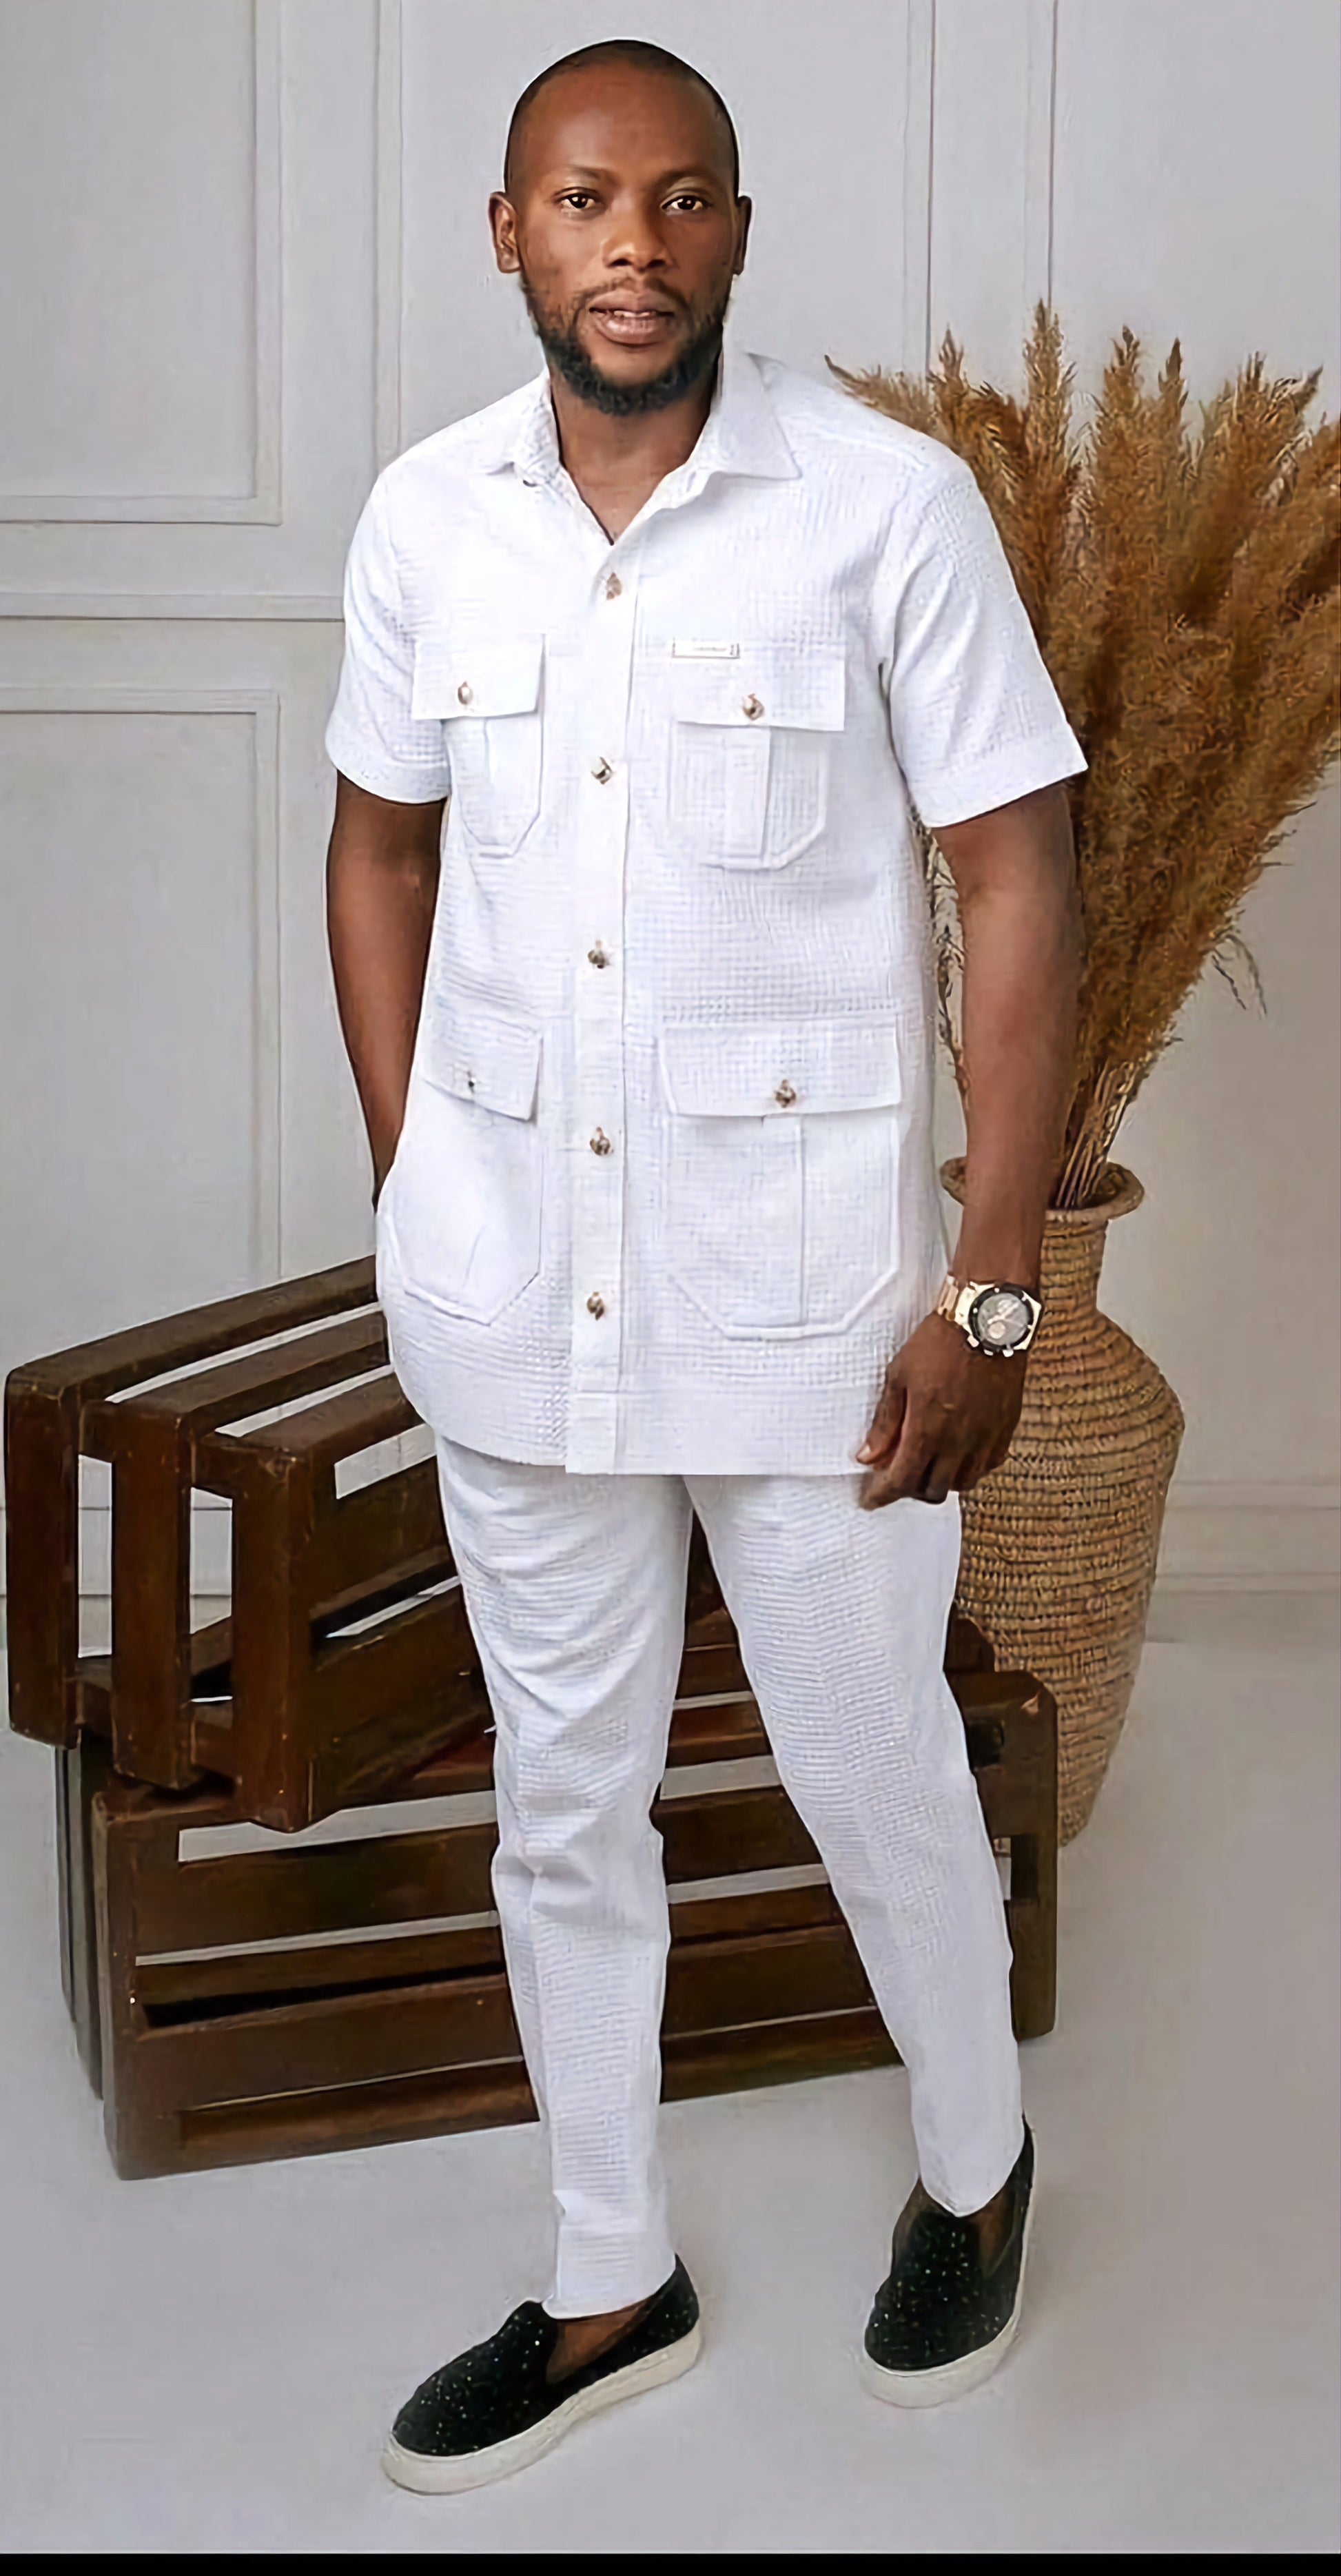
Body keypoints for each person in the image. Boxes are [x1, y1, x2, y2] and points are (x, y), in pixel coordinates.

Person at [324, 37, 1083, 2494]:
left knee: (870, 1768)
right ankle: (602, 2270)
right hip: (515, 1299)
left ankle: (973, 2167)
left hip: (815, 1314)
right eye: (580, 200)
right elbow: (377, 848)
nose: (629, 244)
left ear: (736, 229)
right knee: (563, 1801)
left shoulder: (884, 505)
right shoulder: (429, 518)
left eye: (676, 198)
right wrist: (418, 1178)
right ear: (509, 233)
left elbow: (1017, 872)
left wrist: (987, 1287)